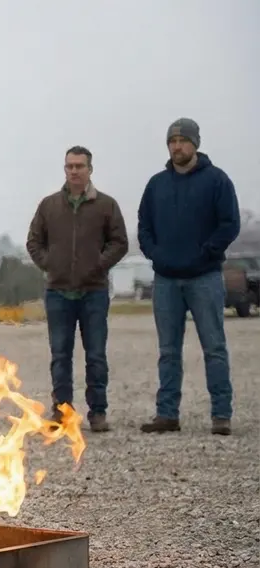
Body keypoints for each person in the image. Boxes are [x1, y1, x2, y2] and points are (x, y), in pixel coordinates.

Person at [137, 118, 240, 436]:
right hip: (166, 280)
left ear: (195, 143)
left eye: (182, 140)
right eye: (172, 141)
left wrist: (207, 252)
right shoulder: (156, 185)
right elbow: (144, 226)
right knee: (168, 350)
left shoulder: (217, 181)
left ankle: (221, 415)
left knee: (214, 347)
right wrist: (157, 255)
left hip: (204, 277)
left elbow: (229, 224)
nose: (176, 146)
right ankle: (167, 414)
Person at [25, 146, 129, 433]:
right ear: (64, 169)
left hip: (93, 292)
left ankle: (98, 412)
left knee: (96, 354)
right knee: (60, 355)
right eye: (69, 166)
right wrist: (50, 264)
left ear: (90, 169)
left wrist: (99, 264)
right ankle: (62, 411)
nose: (74, 171)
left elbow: (120, 243)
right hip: (58, 292)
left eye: (79, 166)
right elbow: (33, 242)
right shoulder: (49, 206)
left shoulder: (106, 205)